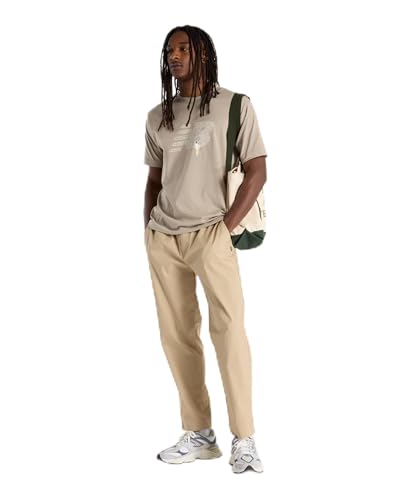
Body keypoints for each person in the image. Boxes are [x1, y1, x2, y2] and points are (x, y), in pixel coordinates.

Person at [143, 25, 267, 474]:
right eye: (169, 50)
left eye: (183, 48)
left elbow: (257, 169)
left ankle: (244, 439)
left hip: (212, 233)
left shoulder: (235, 105)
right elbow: (154, 180)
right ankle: (199, 434)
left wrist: (225, 228)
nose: (174, 56)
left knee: (229, 331)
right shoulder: (157, 116)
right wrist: (149, 230)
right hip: (165, 238)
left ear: (203, 54)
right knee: (177, 336)